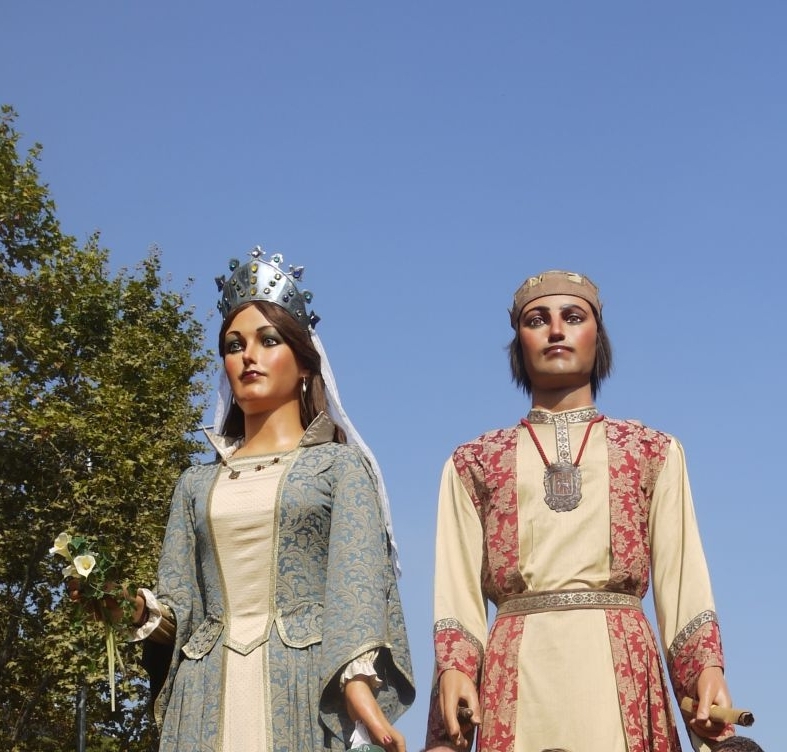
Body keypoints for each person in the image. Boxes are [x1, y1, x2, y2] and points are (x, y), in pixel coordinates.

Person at [106, 247, 414, 750]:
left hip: (302, 685)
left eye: (268, 340)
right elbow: (181, 608)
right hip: (204, 693)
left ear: (305, 364)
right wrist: (132, 607)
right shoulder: (195, 484)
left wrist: (360, 691)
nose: (247, 355)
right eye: (234, 345)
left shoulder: (338, 467)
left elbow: (355, 588)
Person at [424, 270, 734, 752]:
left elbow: (682, 581)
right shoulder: (473, 462)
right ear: (519, 342)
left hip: (622, 673)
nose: (555, 330)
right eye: (536, 320)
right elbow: (457, 594)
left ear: (598, 335)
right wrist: (456, 671)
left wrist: (706, 669)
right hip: (516, 679)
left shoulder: (652, 451)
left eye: (572, 317)